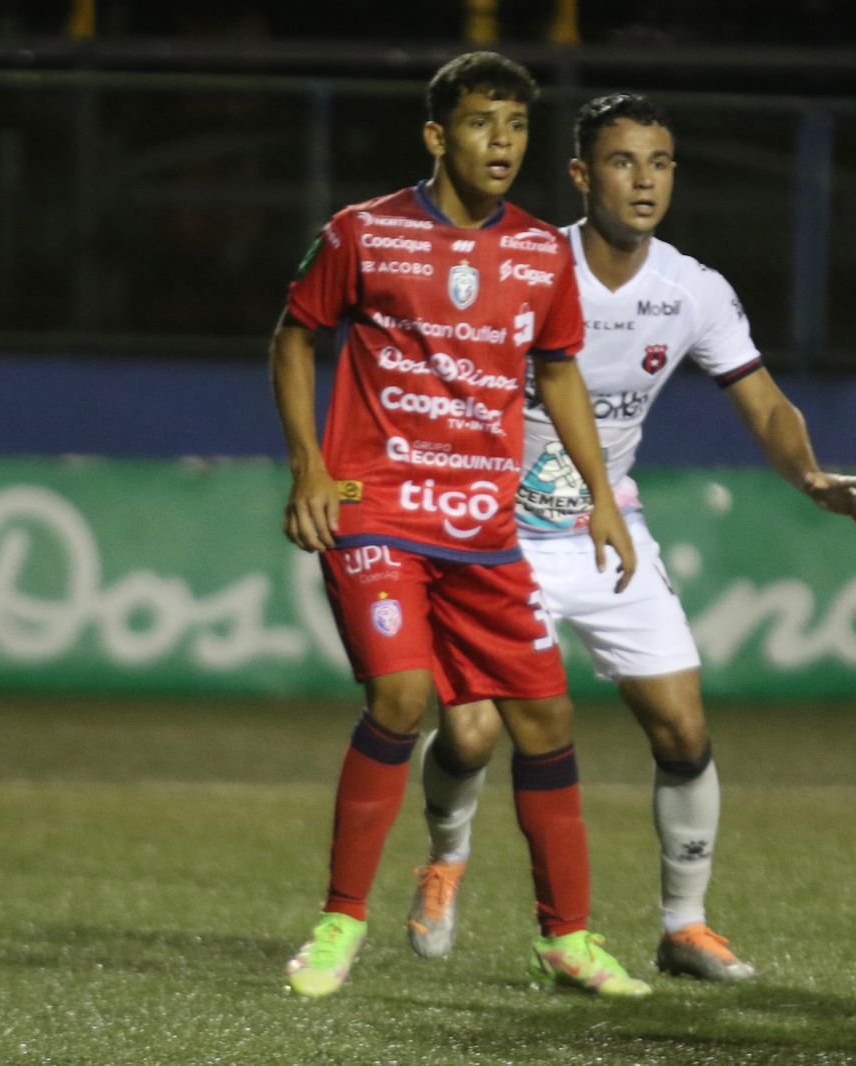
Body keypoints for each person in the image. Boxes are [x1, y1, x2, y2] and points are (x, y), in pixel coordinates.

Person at [405, 93, 856, 980]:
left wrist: (807, 472)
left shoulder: (692, 290)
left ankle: (683, 927)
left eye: (660, 164)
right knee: (470, 737)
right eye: (623, 163)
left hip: (606, 529)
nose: (645, 181)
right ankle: (446, 859)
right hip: (493, 535)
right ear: (583, 177)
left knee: (683, 730)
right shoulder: (520, 264)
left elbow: (765, 400)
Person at [270, 52, 651, 1000]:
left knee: (546, 719)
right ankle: (339, 923)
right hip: (378, 511)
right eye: (483, 124)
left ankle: (566, 938)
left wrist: (600, 495)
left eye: (517, 128)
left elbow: (558, 369)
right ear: (439, 135)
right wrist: (311, 467)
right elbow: (293, 333)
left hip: (484, 527)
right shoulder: (363, 233)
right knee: (402, 701)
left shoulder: (539, 253)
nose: (503, 145)